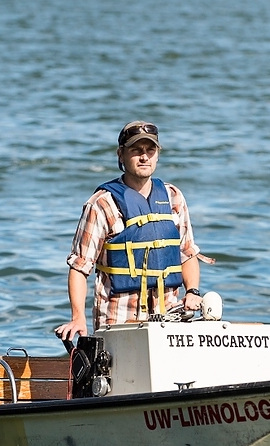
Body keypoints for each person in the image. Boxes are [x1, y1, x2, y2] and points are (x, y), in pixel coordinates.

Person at [55, 121, 207, 342]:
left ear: (157, 154)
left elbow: (187, 253)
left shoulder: (173, 196)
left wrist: (192, 291)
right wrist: (78, 317)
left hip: (169, 319)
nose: (144, 157)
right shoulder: (101, 204)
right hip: (118, 320)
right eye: (136, 150)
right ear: (121, 154)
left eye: (150, 150)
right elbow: (79, 267)